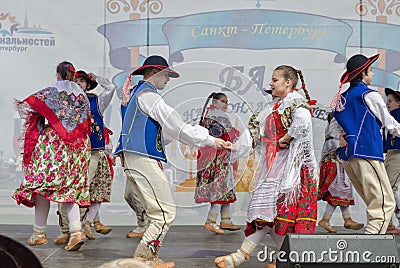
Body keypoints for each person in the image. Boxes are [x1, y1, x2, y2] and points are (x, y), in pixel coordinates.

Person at [119, 55, 229, 268]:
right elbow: (176, 126)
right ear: (153, 72)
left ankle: (147, 257)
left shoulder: (135, 95)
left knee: (157, 211)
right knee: (164, 212)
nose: (168, 79)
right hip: (142, 159)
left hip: (134, 158)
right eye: (166, 75)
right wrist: (211, 140)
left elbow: (160, 130)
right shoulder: (149, 96)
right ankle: (144, 258)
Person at [215, 65, 318, 268]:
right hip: (275, 166)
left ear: (288, 82)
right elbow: (253, 131)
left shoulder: (296, 103)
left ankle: (239, 257)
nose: (270, 84)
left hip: (291, 169)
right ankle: (284, 258)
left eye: (275, 80)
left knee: (270, 215)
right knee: (269, 216)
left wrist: (287, 137)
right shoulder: (272, 108)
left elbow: (303, 123)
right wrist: (234, 146)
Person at [13, 61, 91, 251]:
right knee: (69, 189)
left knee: (42, 186)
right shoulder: (82, 96)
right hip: (78, 145)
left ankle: (39, 233)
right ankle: (76, 232)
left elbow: (31, 105)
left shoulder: (52, 90)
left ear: (57, 74)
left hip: (55, 144)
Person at [329, 53, 400, 234]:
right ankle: (372, 246)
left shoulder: (342, 97)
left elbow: (334, 128)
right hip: (367, 151)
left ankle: (371, 243)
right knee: (385, 203)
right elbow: (389, 123)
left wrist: (340, 139)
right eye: (370, 71)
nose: (373, 75)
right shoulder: (369, 95)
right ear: (363, 73)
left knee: (374, 200)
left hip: (348, 156)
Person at [54, 70, 116, 243]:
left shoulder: (97, 101)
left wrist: (98, 79)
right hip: (71, 152)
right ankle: (65, 230)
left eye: (83, 81)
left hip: (92, 152)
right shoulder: (67, 102)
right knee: (65, 189)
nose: (80, 83)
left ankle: (78, 228)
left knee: (83, 189)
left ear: (88, 85)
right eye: (76, 81)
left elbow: (110, 88)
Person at [195, 92, 241, 234]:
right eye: (222, 101)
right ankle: (211, 220)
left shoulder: (208, 115)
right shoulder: (218, 116)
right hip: (218, 158)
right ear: (215, 102)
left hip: (214, 157)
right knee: (220, 188)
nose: (225, 104)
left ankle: (226, 220)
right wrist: (240, 135)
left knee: (224, 187)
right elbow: (229, 134)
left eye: (227, 101)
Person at [114, 81, 149, 239]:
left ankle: (144, 225)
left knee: (135, 193)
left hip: (142, 156)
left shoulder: (144, 114)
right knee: (129, 194)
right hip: (130, 155)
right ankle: (145, 222)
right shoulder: (128, 114)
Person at [317, 112, 364, 233]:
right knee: (338, 189)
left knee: (341, 190)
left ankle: (345, 219)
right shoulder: (337, 121)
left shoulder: (337, 121)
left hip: (337, 159)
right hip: (335, 160)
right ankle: (329, 220)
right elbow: (334, 139)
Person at [383, 87, 400, 234]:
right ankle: (388, 222)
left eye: (390, 101)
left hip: (397, 153)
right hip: (392, 153)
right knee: (390, 188)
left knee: (389, 187)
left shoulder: (396, 115)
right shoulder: (392, 115)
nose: (387, 103)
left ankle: (390, 221)